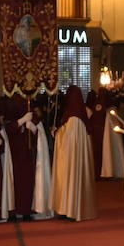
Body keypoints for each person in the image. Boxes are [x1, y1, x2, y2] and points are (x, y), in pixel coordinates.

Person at [1, 94, 52, 220]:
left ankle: (26, 211)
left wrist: (34, 129)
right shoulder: (10, 112)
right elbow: (7, 129)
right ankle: (12, 211)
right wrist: (21, 121)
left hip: (28, 155)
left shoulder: (32, 113)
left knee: (27, 183)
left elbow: (39, 134)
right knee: (13, 183)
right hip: (13, 156)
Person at [51, 86, 97, 221]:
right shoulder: (82, 116)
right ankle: (72, 208)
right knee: (74, 180)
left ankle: (69, 209)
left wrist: (56, 133)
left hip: (69, 160)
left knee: (68, 179)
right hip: (76, 160)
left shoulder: (72, 118)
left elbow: (66, 141)